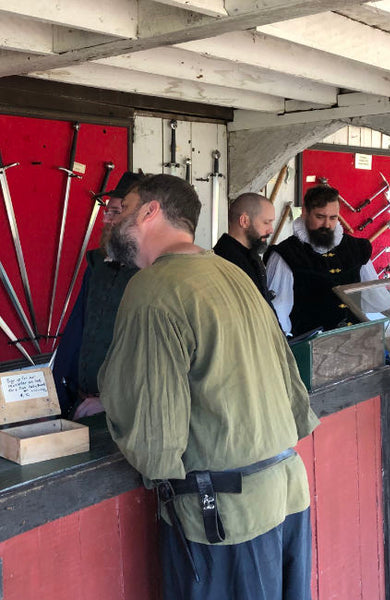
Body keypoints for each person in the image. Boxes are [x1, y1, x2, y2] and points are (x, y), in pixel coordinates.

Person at [98, 174, 319, 600]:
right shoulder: (230, 273)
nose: (114, 220)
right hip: (285, 495)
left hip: (223, 518)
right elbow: (293, 388)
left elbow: (152, 438)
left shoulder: (153, 290)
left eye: (123, 209)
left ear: (150, 211)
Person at [265, 184, 390, 337]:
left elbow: (379, 296)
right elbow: (277, 312)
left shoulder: (355, 249)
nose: (327, 224)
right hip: (310, 347)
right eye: (320, 217)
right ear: (304, 213)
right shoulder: (285, 255)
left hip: (355, 341)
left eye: (333, 218)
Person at [52, 171, 142, 419]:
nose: (107, 220)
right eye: (108, 211)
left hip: (125, 410)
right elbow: (77, 330)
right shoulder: (97, 266)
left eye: (117, 212)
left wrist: (112, 401)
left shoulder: (150, 275)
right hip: (82, 400)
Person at [213, 192, 275, 306]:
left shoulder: (251, 256)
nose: (271, 230)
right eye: (266, 222)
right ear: (244, 221)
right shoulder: (225, 261)